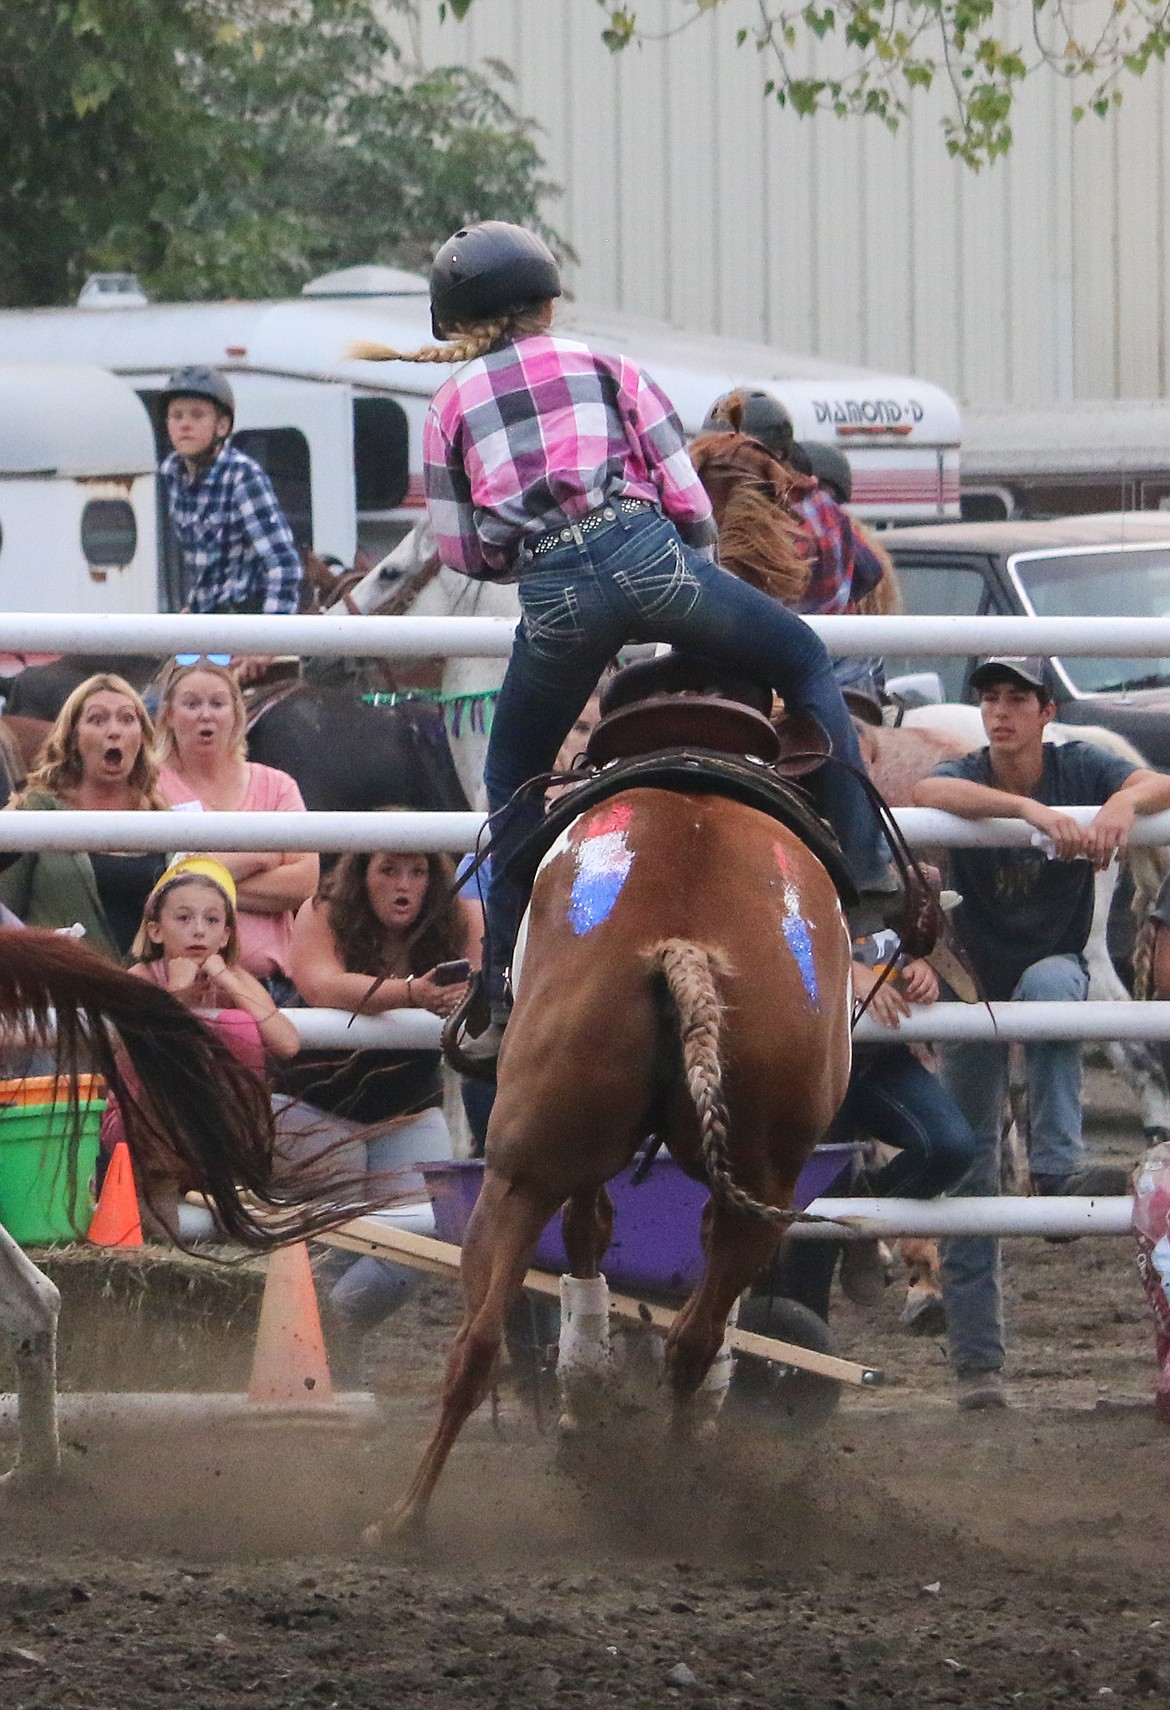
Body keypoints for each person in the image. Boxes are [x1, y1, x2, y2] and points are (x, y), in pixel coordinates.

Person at [351, 220, 893, 1062]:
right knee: (802, 658)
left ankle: (500, 982)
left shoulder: (448, 404)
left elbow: (461, 552)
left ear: (457, 322)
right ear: (546, 300)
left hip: (556, 599)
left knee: (510, 776)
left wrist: (530, 551)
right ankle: (860, 872)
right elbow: (690, 500)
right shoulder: (607, 365)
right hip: (653, 563)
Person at [913, 653, 1170, 1406]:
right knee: (968, 1170)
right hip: (972, 983)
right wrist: (1028, 814)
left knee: (1060, 981)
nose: (1000, 712)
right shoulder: (972, 770)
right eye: (990, 698)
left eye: (1016, 699)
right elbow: (927, 788)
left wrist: (1120, 808)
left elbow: (1154, 780)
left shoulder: (1080, 765)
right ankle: (978, 1367)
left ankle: (1057, 1161)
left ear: (1045, 712)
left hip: (1035, 972)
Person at [284, 844, 478, 1347]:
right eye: (388, 870)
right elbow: (319, 985)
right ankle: (324, 1362)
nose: (403, 885)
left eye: (417, 872)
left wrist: (442, 994)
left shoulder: (462, 918)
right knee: (338, 1239)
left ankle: (316, 1336)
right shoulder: (324, 910)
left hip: (408, 1108)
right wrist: (413, 994)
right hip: (313, 1100)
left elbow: (479, 986)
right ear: (362, 876)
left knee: (431, 1236)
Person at [107, 856, 300, 1233]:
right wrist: (177, 996)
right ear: (156, 930)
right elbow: (131, 1059)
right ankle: (163, 1248)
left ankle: (244, 1220)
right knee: (162, 1116)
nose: (198, 931)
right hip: (147, 1128)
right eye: (183, 918)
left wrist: (227, 981)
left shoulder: (236, 979)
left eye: (211, 921)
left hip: (224, 1126)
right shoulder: (142, 977)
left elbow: (287, 1043)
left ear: (226, 934)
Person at [156, 658, 318, 1001]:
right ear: (169, 715)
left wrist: (197, 880)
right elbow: (156, 882)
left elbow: (305, 883)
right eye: (191, 704)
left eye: (217, 703)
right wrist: (262, 854)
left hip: (273, 990)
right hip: (183, 989)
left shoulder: (277, 784)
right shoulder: (150, 787)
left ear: (235, 712)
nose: (206, 715)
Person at [0, 675, 170, 959]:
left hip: (148, 994)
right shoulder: (38, 811)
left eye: (127, 719)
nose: (114, 730)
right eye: (97, 720)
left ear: (142, 737)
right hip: (64, 989)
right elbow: (6, 905)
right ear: (74, 736)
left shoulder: (166, 819)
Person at [158, 366, 303, 618]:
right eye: (176, 415)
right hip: (207, 619)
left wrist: (268, 636)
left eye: (197, 415)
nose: (184, 424)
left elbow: (283, 563)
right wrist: (195, 607)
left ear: (222, 426)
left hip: (247, 619)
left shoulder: (242, 476)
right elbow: (205, 565)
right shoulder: (172, 473)